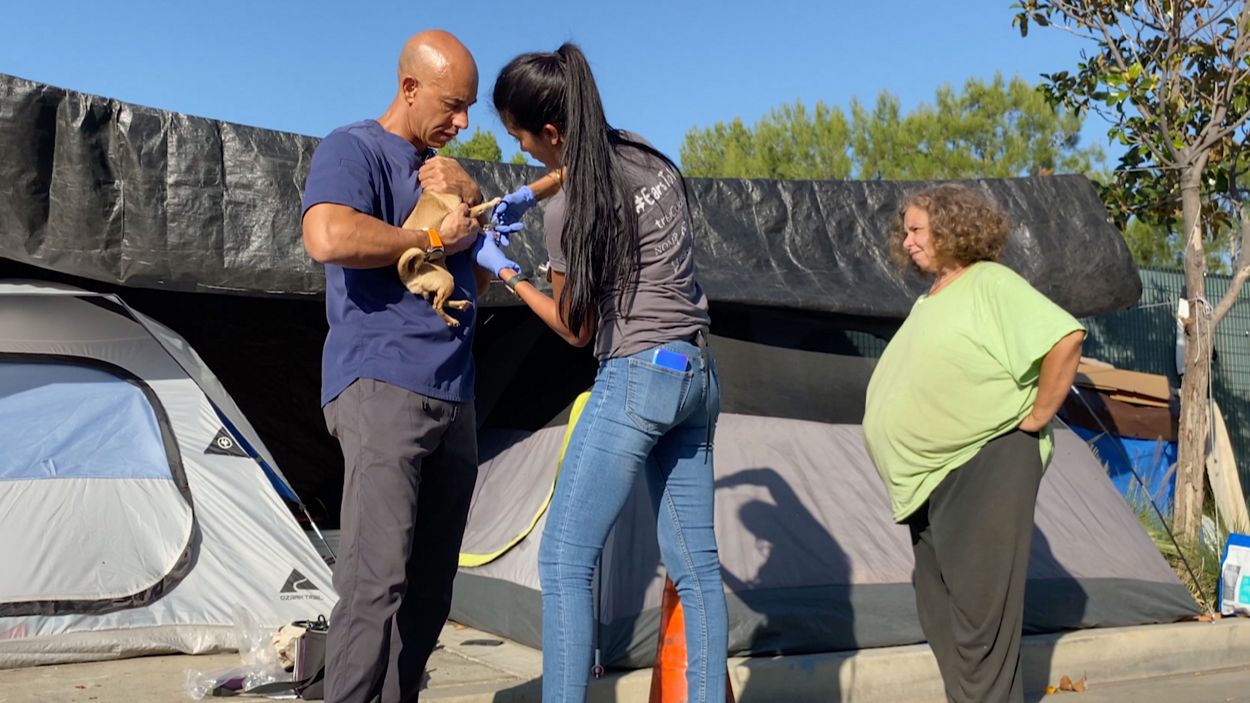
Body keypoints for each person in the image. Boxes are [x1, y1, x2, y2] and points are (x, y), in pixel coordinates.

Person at [478, 42, 728, 703]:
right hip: (697, 373)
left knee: (564, 558)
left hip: (638, 376)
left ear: (552, 131)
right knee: (696, 569)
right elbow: (579, 168)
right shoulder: (645, 153)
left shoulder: (570, 213)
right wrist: (527, 194)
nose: (521, 148)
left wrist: (506, 270)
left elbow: (574, 328)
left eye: (522, 138)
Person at [300, 30, 516, 703]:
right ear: (409, 88)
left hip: (455, 393)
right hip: (383, 383)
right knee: (376, 580)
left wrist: (473, 200)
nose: (464, 122)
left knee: (430, 589)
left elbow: (482, 273)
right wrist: (428, 235)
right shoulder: (353, 148)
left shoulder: (446, 174)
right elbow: (326, 235)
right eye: (453, 105)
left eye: (470, 107)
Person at [862, 184, 1085, 703]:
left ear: (952, 228)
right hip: (930, 480)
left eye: (917, 230)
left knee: (981, 617)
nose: (907, 241)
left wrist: (1039, 415)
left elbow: (1065, 338)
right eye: (905, 232)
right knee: (938, 610)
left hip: (985, 462)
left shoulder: (989, 281)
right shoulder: (930, 298)